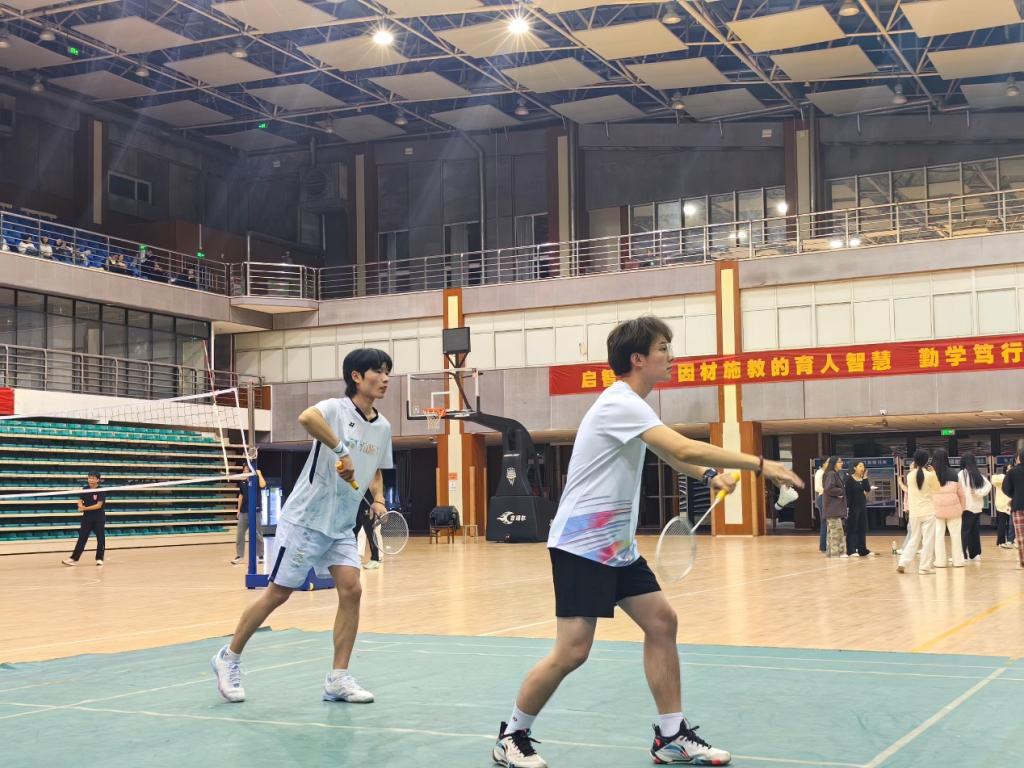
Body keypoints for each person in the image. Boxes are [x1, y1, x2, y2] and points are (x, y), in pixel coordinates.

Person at [491, 316, 803, 768]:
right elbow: (682, 447)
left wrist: (709, 475)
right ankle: (512, 736)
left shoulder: (632, 406)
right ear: (638, 359)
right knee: (572, 651)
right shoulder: (619, 402)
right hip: (583, 544)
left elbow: (666, 452)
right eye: (662, 348)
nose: (671, 356)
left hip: (616, 547)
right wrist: (759, 463)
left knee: (661, 622)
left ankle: (672, 736)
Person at [211, 348, 394, 703]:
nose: (385, 378)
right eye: (378, 371)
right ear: (357, 376)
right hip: (306, 521)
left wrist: (379, 499)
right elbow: (306, 417)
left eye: (388, 371)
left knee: (352, 590)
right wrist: (341, 450)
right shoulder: (335, 409)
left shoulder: (383, 427)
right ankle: (228, 657)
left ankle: (338, 678)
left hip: (341, 525)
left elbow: (375, 469)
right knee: (278, 594)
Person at [897, 450, 939, 574]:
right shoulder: (930, 475)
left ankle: (902, 562)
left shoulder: (910, 476)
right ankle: (924, 568)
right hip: (928, 511)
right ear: (926, 461)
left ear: (914, 461)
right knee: (928, 541)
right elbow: (937, 488)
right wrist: (934, 472)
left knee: (913, 539)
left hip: (914, 513)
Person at [61, 472, 106, 567]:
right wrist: (80, 505)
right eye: (89, 478)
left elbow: (99, 505)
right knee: (82, 538)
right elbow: (80, 500)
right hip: (87, 518)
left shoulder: (101, 490)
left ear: (98, 480)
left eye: (93, 478)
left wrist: (84, 508)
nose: (91, 480)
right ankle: (73, 559)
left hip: (98, 517)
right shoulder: (85, 489)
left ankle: (99, 558)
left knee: (100, 538)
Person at [931, 449, 966, 568]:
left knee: (938, 537)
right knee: (956, 536)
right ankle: (958, 561)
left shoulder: (930, 474)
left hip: (936, 511)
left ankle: (940, 562)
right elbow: (961, 494)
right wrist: (962, 508)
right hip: (954, 511)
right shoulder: (954, 473)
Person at [957, 451, 990, 562]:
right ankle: (975, 554)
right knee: (974, 531)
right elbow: (988, 485)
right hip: (977, 508)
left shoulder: (962, 474)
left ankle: (963, 555)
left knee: (964, 531)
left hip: (966, 507)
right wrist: (979, 493)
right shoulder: (977, 473)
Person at [232, 470, 266, 565]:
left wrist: (259, 474)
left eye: (247, 469)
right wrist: (238, 510)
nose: (245, 471)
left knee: (258, 534)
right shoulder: (242, 482)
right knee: (240, 535)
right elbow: (241, 496)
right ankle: (239, 556)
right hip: (244, 512)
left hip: (256, 512)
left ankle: (260, 556)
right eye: (244, 470)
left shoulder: (257, 480)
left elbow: (263, 485)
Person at [999, 450, 1024, 569]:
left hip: (1018, 506)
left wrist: (1014, 495)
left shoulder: (1012, 472)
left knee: (1021, 537)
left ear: (1019, 458)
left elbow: (1005, 488)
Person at [843, 461, 873, 557]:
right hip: (853, 507)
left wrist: (865, 477)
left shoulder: (862, 478)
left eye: (863, 466)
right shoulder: (849, 479)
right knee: (852, 528)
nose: (862, 468)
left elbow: (867, 489)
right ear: (855, 468)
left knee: (862, 528)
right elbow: (847, 494)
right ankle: (851, 550)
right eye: (860, 466)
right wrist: (847, 507)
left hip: (862, 506)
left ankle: (862, 550)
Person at [820, 456, 848, 558]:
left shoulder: (832, 473)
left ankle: (831, 553)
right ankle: (837, 553)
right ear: (834, 463)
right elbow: (829, 488)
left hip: (833, 508)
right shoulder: (831, 474)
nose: (842, 463)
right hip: (833, 508)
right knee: (836, 531)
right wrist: (841, 491)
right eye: (839, 462)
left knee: (832, 531)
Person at [354, 493, 383, 570]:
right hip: (358, 503)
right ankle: (352, 557)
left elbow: (378, 489)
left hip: (368, 504)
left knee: (370, 531)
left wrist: (377, 502)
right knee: (354, 531)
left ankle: (375, 559)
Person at [991, 466, 1015, 549]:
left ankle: (1010, 541)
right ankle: (1001, 542)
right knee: (1002, 524)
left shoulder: (1013, 478)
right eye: (1008, 468)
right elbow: (993, 479)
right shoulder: (1001, 477)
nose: (1010, 470)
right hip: (1001, 505)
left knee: (1011, 525)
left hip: (1010, 504)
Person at [814, 459, 826, 552]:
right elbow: (817, 488)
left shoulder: (824, 472)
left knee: (826, 523)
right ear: (823, 464)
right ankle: (823, 546)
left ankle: (824, 545)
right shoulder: (820, 472)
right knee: (824, 522)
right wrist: (829, 491)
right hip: (822, 498)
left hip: (825, 497)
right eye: (828, 462)